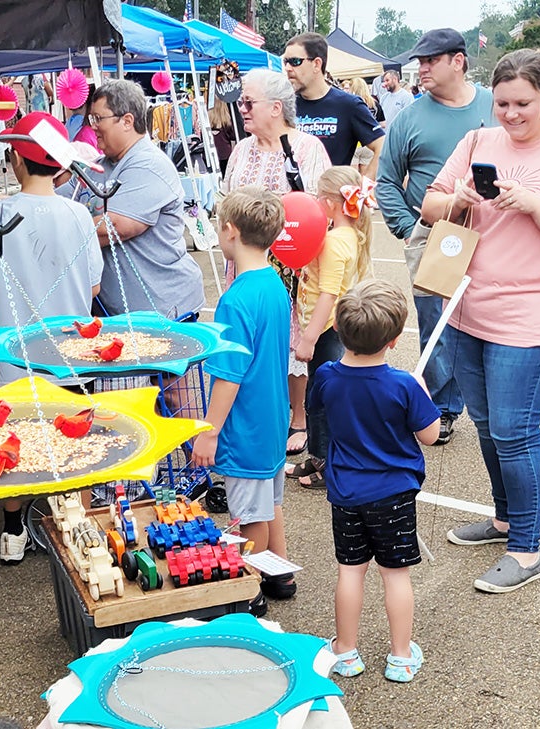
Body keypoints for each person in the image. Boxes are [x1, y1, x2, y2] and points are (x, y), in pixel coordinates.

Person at [427, 49, 540, 592]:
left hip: (530, 316)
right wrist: (455, 196)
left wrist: (533, 204)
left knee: (515, 430)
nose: (509, 114)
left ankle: (527, 550)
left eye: (522, 103)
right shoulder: (478, 142)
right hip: (464, 306)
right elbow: (429, 206)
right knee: (487, 425)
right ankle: (506, 518)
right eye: (501, 102)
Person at [0, 112, 103, 564]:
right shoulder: (81, 214)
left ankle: (13, 535)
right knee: (76, 439)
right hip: (72, 352)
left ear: (14, 160)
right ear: (61, 166)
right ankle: (79, 537)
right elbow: (94, 288)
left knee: (16, 439)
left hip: (15, 351)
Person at [312, 279, 441, 683]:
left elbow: (317, 408)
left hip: (346, 491)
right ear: (395, 339)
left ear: (341, 331)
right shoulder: (403, 384)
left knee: (350, 571)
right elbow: (431, 434)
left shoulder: (328, 377)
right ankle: (401, 656)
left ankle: (346, 651)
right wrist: (421, 392)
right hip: (393, 495)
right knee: (395, 574)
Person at [376, 27, 495, 446]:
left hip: (493, 233)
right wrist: (410, 230)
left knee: (484, 320)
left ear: (458, 61)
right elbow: (386, 181)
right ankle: (441, 408)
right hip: (434, 234)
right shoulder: (409, 117)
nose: (421, 68)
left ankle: (480, 401)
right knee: (436, 325)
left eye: (430, 60)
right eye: (419, 61)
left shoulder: (494, 104)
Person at [192, 187, 294, 617]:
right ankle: (281, 574)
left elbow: (229, 375)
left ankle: (248, 590)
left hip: (246, 423)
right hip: (272, 417)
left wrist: (209, 431)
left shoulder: (235, 299)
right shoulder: (274, 282)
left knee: (248, 512)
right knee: (270, 501)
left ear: (230, 231)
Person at [221, 69, 330, 457]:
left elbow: (319, 211)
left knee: (292, 341)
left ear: (277, 108)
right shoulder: (241, 149)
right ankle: (255, 410)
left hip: (292, 267)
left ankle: (297, 418)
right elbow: (225, 196)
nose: (242, 108)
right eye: (242, 102)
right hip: (245, 263)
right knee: (249, 338)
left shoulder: (306, 148)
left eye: (248, 102)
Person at [85, 80, 205, 319]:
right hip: (124, 313)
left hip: (165, 311)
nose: (94, 127)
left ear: (127, 121)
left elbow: (115, 227)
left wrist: (56, 230)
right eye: (92, 119)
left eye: (99, 119)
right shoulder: (98, 166)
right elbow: (58, 199)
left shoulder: (149, 165)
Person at [288, 166, 374, 492]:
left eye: (318, 197)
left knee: (321, 401)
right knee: (316, 397)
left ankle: (326, 463)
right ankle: (317, 454)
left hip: (325, 329)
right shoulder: (345, 235)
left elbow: (329, 293)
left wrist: (309, 338)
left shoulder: (336, 242)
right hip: (326, 326)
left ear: (330, 202)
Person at [283, 32, 385, 178]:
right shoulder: (285, 105)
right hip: (291, 198)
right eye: (285, 62)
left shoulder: (349, 105)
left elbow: (382, 146)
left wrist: (363, 188)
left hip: (329, 197)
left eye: (295, 61)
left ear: (316, 64)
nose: (288, 68)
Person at [346, 78, 379, 172]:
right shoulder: (374, 103)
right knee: (365, 179)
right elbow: (383, 123)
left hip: (355, 143)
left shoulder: (349, 103)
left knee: (353, 178)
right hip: (370, 142)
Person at [207, 100, 237, 176]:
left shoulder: (206, 125)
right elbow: (233, 138)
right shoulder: (227, 124)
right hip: (225, 155)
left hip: (211, 156)